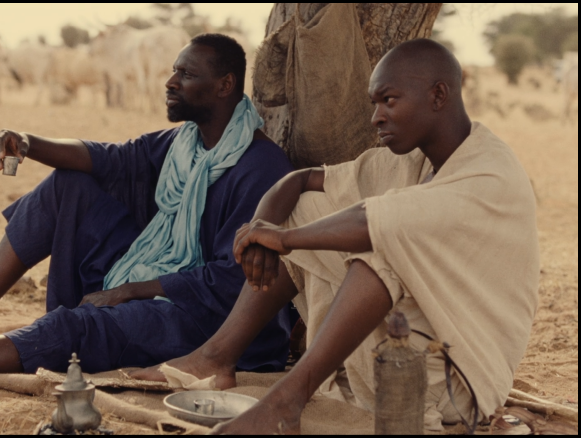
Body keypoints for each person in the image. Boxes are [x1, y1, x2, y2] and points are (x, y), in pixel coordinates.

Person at [0, 34, 295, 386]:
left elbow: (231, 283)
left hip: (210, 323)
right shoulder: (184, 144)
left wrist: (129, 291)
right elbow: (110, 158)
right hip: (157, 280)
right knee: (69, 186)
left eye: (186, 75)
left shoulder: (260, 167)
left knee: (75, 328)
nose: (170, 81)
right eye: (174, 70)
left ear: (225, 85)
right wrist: (28, 142)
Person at [131, 39, 540, 434]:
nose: (376, 117)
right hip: (403, 352)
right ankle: (217, 358)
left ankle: (285, 403)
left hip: (452, 382)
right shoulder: (417, 161)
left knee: (381, 250)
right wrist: (263, 227)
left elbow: (371, 222)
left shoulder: (487, 174)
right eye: (375, 104)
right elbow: (303, 180)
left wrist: (284, 240)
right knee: (305, 209)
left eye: (389, 100)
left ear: (438, 95)